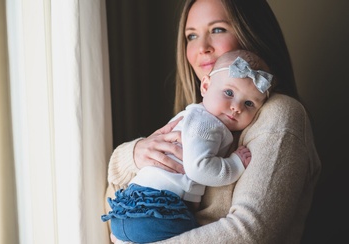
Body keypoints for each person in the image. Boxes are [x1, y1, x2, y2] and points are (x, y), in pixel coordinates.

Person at [105, 0, 321, 243]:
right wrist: (132, 154)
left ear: (250, 31)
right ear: (206, 86)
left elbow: (249, 233)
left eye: (217, 29)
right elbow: (112, 209)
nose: (202, 47)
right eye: (191, 35)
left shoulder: (279, 115)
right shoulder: (197, 118)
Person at [102, 49, 273, 243]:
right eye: (228, 92)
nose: (237, 107)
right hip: (157, 210)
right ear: (206, 87)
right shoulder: (206, 124)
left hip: (132, 208)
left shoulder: (194, 117)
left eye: (249, 103)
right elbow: (198, 168)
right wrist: (235, 164)